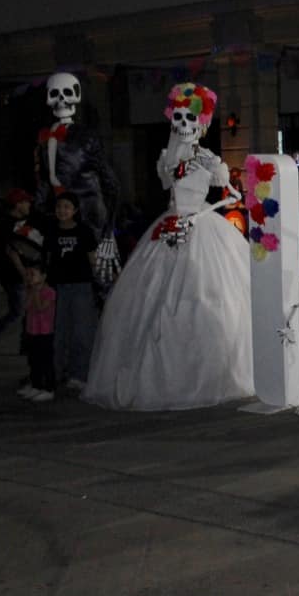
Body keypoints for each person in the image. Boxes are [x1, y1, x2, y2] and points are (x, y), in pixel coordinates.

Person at [85, 82, 254, 410]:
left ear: (202, 124)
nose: (182, 125)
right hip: (171, 223)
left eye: (190, 119)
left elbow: (230, 192)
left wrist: (222, 198)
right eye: (177, 117)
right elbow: (170, 180)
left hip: (202, 226)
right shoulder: (169, 157)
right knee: (156, 299)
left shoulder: (208, 158)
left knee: (210, 293)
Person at [0, 187, 45, 358]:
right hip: (12, 274)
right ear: (17, 204)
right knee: (18, 311)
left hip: (24, 272)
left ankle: (25, 344)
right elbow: (11, 251)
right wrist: (23, 273)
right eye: (25, 202)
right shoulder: (7, 223)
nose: (29, 204)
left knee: (27, 309)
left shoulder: (24, 219)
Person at [44, 192, 98, 394]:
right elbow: (47, 258)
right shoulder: (52, 231)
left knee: (81, 332)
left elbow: (92, 257)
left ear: (75, 210)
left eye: (67, 207)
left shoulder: (84, 232)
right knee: (58, 332)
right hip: (57, 286)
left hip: (81, 286)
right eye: (59, 207)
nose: (62, 211)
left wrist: (102, 278)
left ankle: (80, 374)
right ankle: (56, 372)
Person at [17, 262, 56, 402]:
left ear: (43, 276)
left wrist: (36, 292)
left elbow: (40, 307)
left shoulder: (50, 292)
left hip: (45, 332)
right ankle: (36, 384)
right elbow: (26, 306)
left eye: (33, 274)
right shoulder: (30, 290)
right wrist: (31, 292)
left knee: (45, 360)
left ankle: (49, 388)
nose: (29, 278)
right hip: (32, 331)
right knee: (33, 360)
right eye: (28, 275)